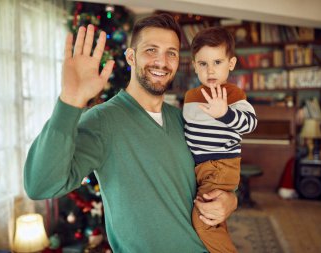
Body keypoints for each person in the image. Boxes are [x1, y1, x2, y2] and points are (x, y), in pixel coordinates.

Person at [24, 14, 237, 252]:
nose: (162, 61)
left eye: (171, 53)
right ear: (131, 57)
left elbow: (215, 172)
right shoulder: (101, 120)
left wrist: (231, 200)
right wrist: (70, 101)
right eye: (151, 50)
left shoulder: (184, 118)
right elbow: (40, 185)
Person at [183, 26, 258, 252]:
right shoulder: (190, 97)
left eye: (217, 62)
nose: (210, 70)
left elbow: (250, 124)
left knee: (204, 222)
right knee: (212, 222)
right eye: (203, 64)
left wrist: (224, 113)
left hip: (220, 166)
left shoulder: (233, 94)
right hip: (199, 169)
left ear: (231, 64)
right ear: (194, 65)